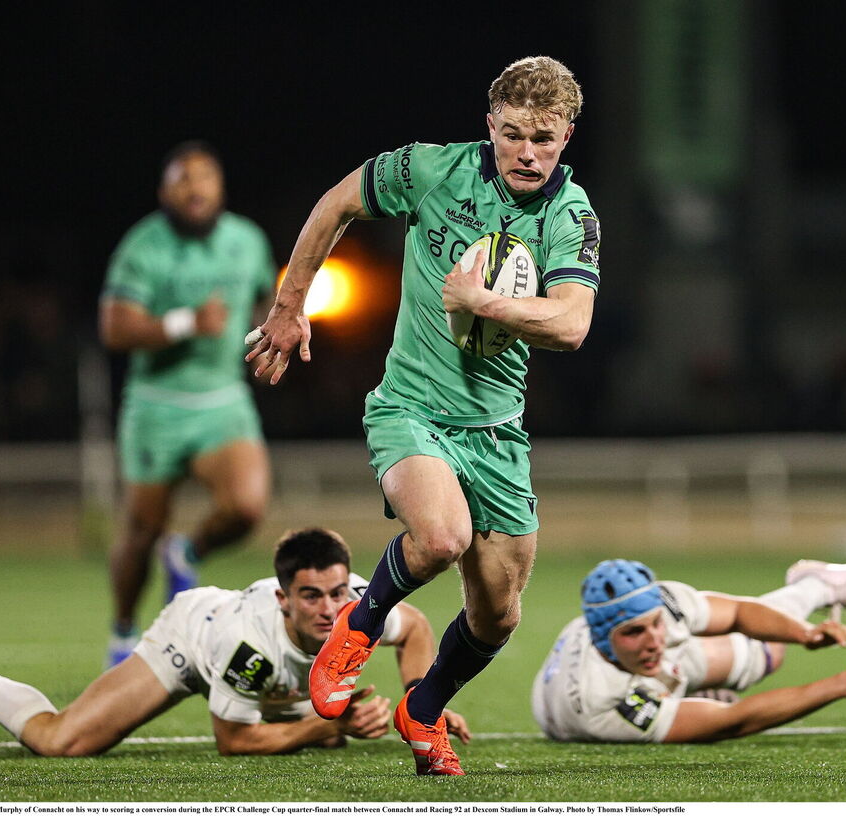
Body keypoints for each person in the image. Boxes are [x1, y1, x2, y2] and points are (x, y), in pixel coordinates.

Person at [245, 56, 600, 775]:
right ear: (489, 126)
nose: (526, 153)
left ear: (566, 135)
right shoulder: (432, 169)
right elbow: (336, 204)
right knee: (440, 537)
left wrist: (481, 302)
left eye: (543, 138)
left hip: (497, 433)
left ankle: (423, 708)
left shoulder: (571, 214)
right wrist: (289, 304)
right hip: (411, 409)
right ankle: (361, 623)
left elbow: (571, 325)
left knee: (498, 613)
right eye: (512, 134)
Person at [0, 528, 470, 756]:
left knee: (319, 718)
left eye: (338, 592)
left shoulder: (358, 608)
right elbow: (232, 741)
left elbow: (416, 628)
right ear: (283, 598)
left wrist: (422, 705)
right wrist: (320, 728)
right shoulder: (247, 644)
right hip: (192, 643)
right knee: (62, 742)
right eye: (310, 596)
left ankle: (311, 715)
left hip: (271, 681)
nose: (329, 608)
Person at [100, 140, 277, 666]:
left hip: (223, 400)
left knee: (247, 508)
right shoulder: (144, 246)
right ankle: (123, 632)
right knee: (141, 531)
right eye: (183, 179)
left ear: (220, 188)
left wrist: (277, 329)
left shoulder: (247, 240)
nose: (194, 188)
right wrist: (185, 323)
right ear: (164, 191)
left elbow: (267, 297)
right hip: (156, 406)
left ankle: (187, 552)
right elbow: (114, 328)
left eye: (204, 178)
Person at [531, 559, 846, 744]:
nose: (655, 640)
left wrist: (805, 633)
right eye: (634, 632)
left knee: (768, 653)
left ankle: (819, 585)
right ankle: (816, 587)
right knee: (754, 662)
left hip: (634, 672)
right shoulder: (602, 702)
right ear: (601, 636)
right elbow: (733, 721)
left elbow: (739, 612)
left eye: (656, 623)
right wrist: (841, 685)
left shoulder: (658, 606)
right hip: (581, 706)